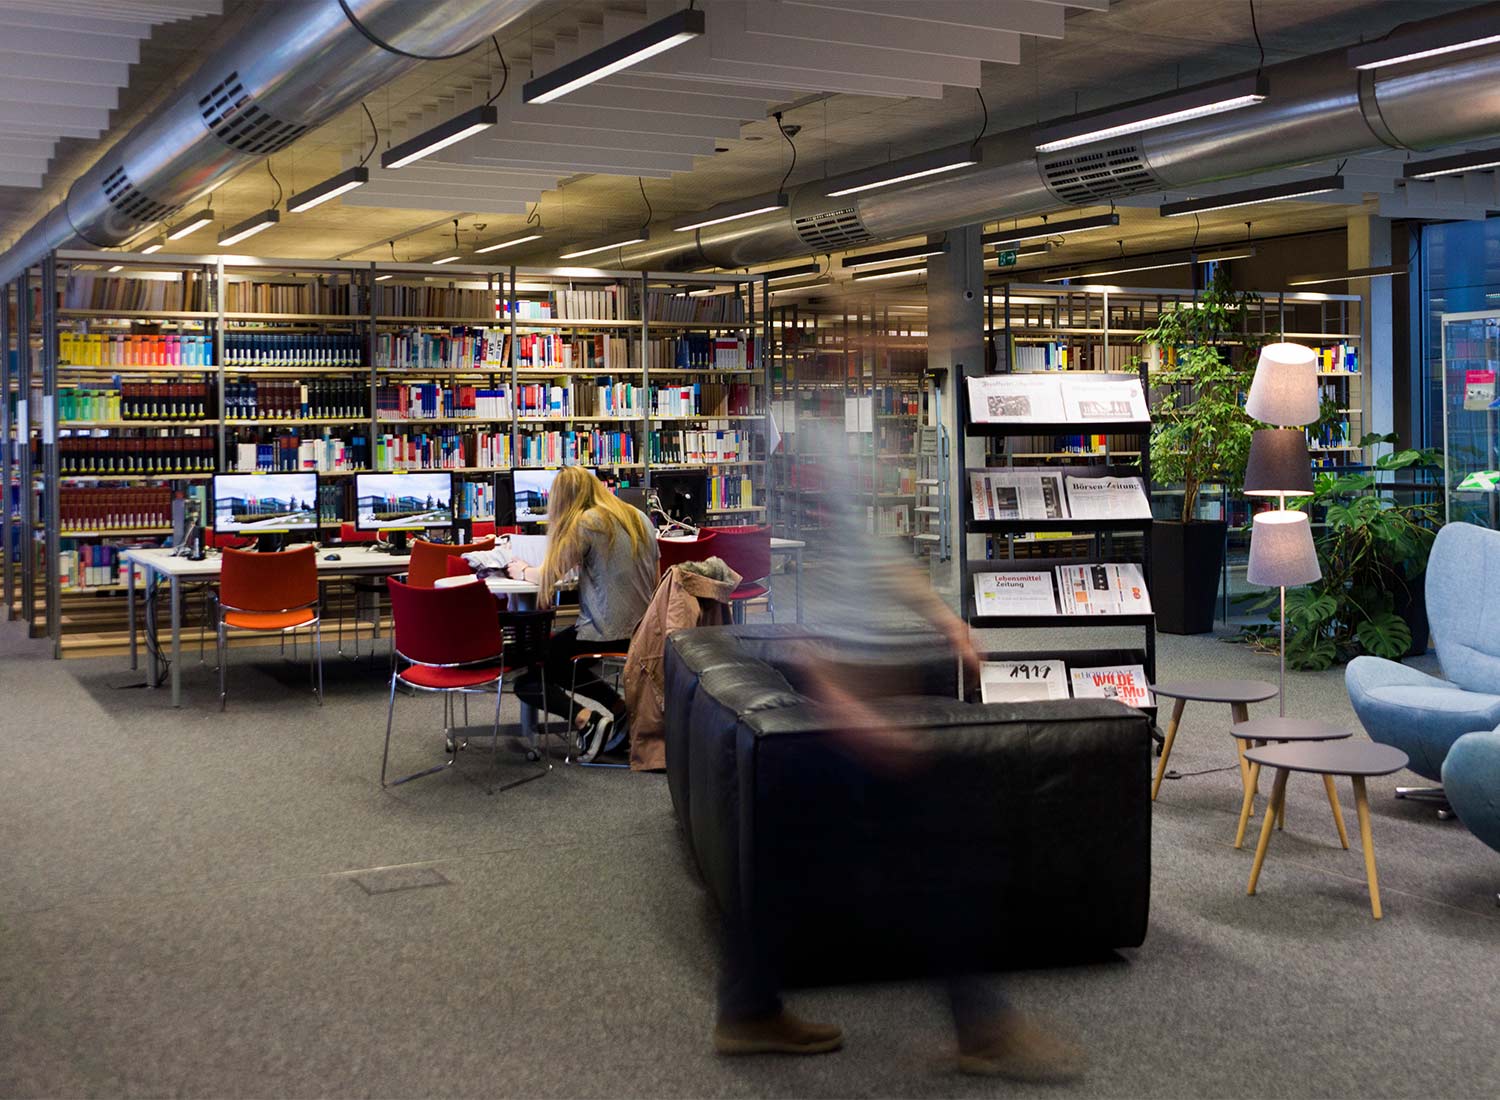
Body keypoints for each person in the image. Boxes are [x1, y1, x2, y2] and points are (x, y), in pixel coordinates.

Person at [711, 418, 1084, 1082]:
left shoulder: (842, 448)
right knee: (935, 860)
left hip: (860, 705)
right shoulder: (802, 453)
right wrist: (844, 705)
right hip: (842, 708)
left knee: (794, 865)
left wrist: (945, 620)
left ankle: (748, 1008)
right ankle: (984, 1027)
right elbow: (795, 592)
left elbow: (873, 552)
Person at [506, 467, 659, 760]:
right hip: (642, 634)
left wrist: (522, 570)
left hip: (604, 634)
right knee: (558, 661)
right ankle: (618, 710)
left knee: (529, 678)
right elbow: (656, 578)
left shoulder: (588, 522)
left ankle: (586, 721)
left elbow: (548, 576)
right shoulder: (638, 517)